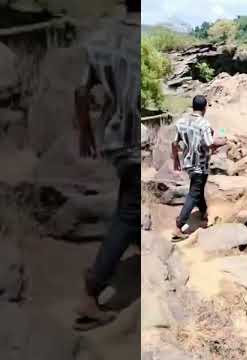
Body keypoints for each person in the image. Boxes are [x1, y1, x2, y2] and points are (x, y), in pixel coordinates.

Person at [73, 0, 141, 330]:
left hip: (116, 138)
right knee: (130, 211)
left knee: (131, 202)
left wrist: (85, 133)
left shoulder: (101, 38)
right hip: (139, 141)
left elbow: (80, 90)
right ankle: (91, 291)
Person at [171, 95, 226, 240]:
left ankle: (203, 213)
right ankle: (178, 227)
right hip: (200, 165)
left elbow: (174, 143)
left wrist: (176, 159)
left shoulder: (181, 122)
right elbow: (209, 144)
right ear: (205, 108)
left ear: (193, 106)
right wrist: (223, 141)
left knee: (198, 189)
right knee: (194, 192)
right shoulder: (204, 124)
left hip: (188, 163)